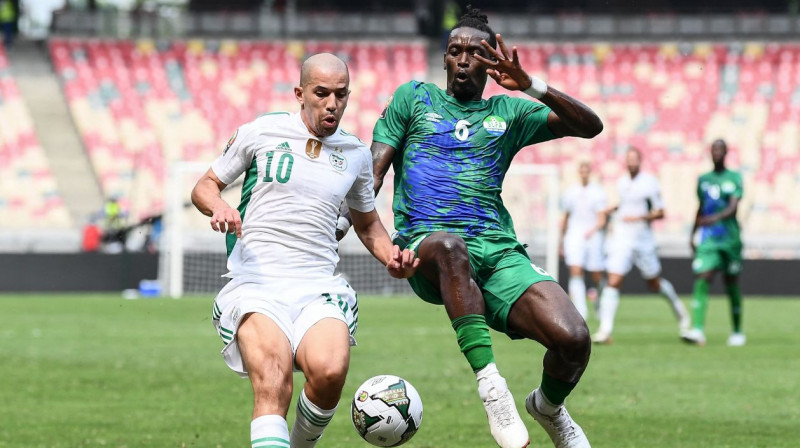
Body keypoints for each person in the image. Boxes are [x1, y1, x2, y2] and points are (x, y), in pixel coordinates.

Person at [364, 7, 603, 448]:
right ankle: (493, 389)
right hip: (429, 248)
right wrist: (352, 226)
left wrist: (532, 86)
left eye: (474, 52)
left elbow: (590, 126)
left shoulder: (508, 112)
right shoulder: (414, 98)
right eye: (454, 51)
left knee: (574, 339)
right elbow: (371, 176)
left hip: (497, 251)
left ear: (491, 63)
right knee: (452, 247)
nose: (462, 60)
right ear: (444, 59)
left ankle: (548, 408)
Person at [190, 53, 418, 448]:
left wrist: (391, 256)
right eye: (322, 93)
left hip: (317, 286)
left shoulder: (356, 155)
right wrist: (221, 206)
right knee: (274, 380)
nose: (332, 103)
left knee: (330, 372)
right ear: (300, 93)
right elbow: (204, 186)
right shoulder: (261, 132)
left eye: (341, 95)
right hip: (257, 283)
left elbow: (366, 224)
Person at [593, 147, 690, 344]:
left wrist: (639, 217)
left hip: (643, 239)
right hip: (622, 238)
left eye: (635, 159)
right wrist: (612, 209)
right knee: (613, 280)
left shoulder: (650, 183)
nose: (631, 163)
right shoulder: (622, 182)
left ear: (640, 161)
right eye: (628, 159)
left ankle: (680, 312)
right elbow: (624, 205)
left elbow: (660, 212)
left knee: (654, 283)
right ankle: (605, 330)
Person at [682, 139, 745, 346]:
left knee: (731, 282)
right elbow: (701, 207)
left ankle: (737, 331)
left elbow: (733, 208)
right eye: (714, 150)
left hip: (729, 239)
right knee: (703, 276)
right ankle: (697, 330)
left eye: (720, 150)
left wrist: (713, 219)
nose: (717, 153)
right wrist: (693, 233)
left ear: (726, 152)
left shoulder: (734, 177)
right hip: (709, 240)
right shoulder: (703, 180)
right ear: (710, 153)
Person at [560, 161, 607, 320]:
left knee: (597, 275)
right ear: (579, 173)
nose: (584, 174)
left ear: (590, 173)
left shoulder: (598, 192)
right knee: (576, 271)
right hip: (574, 235)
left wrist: (593, 230)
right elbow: (566, 217)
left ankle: (599, 302)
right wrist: (561, 240)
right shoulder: (570, 192)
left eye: (587, 171)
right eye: (582, 171)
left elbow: (602, 218)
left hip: (593, 236)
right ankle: (581, 311)